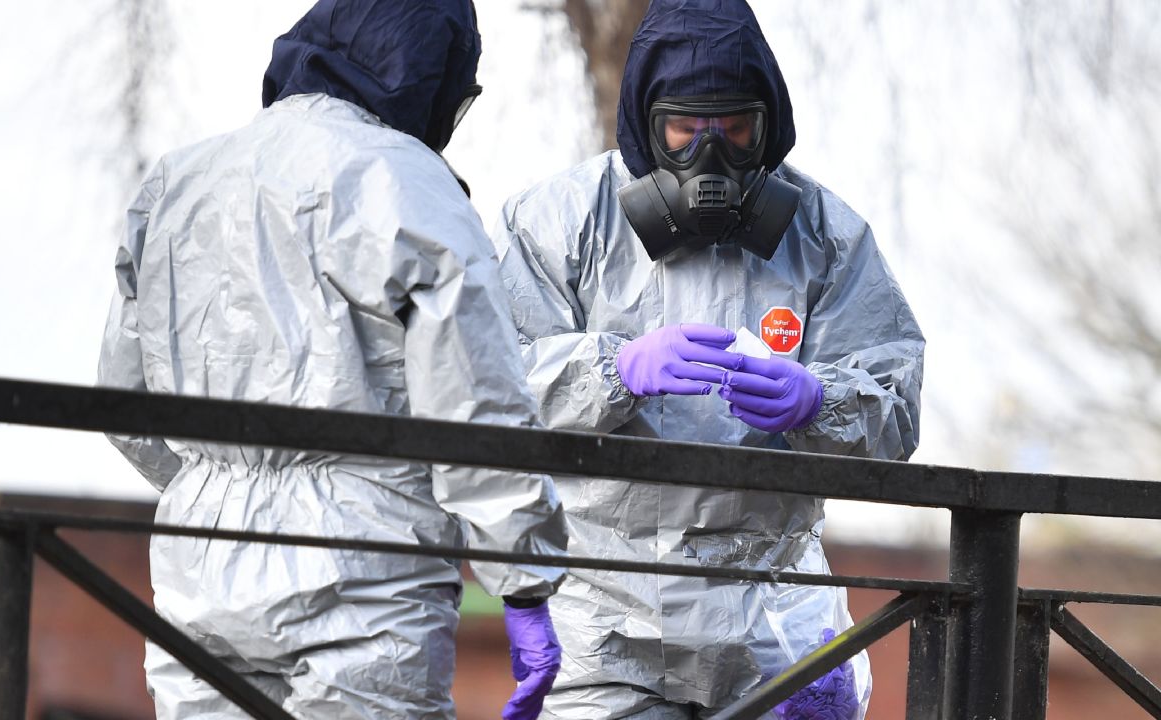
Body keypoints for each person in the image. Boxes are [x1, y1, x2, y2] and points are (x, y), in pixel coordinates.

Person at [97, 1, 567, 718]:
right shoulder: (407, 183)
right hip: (364, 567)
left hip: (201, 561)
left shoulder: (177, 182)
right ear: (430, 76)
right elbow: (476, 402)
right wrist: (523, 576)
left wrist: (215, 481)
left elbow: (124, 403)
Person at [490, 0, 924, 718]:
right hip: (606, 616)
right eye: (686, 130)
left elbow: (898, 406)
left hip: (775, 617)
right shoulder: (561, 221)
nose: (709, 157)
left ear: (769, 126)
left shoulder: (825, 233)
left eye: (735, 131)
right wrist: (610, 370)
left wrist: (821, 400)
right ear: (645, 124)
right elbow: (492, 384)